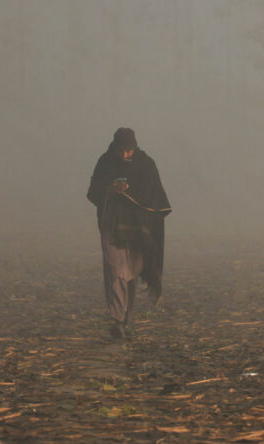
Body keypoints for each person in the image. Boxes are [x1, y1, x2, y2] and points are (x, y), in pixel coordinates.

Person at [87, 128, 171, 339]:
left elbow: (154, 195)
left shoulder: (146, 164)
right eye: (122, 151)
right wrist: (110, 189)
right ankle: (117, 319)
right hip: (111, 225)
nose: (126, 155)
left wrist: (132, 195)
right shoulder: (105, 162)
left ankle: (128, 319)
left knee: (131, 272)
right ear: (115, 148)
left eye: (129, 151)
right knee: (115, 270)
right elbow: (93, 191)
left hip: (137, 228)